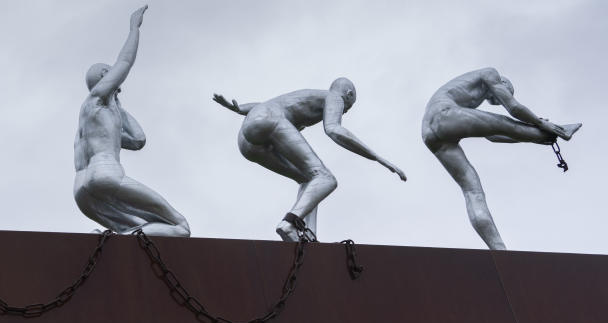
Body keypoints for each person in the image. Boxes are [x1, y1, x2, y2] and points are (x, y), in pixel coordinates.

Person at [214, 78, 406, 241]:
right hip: (268, 121)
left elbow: (264, 105)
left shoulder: (306, 95)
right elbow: (333, 129)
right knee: (326, 179)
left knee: (309, 180)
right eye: (349, 106)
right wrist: (378, 158)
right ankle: (289, 222)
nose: (345, 111)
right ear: (348, 94)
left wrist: (239, 109)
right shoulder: (335, 97)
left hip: (247, 141)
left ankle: (308, 235)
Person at [422, 68, 581, 249]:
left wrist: (534, 139)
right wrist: (541, 123)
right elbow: (513, 108)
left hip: (430, 135)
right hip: (443, 115)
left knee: (473, 191)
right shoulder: (490, 73)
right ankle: (560, 130)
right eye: (500, 96)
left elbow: (493, 135)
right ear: (503, 84)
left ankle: (498, 248)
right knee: (506, 123)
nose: (496, 102)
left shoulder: (463, 97)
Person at [73, 6, 190, 236]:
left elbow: (138, 140)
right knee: (180, 227)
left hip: (81, 190)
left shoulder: (92, 116)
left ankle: (114, 240)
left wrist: (117, 103)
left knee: (134, 228)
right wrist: (134, 28)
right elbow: (125, 62)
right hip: (105, 174)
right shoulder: (96, 98)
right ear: (106, 77)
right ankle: (125, 238)